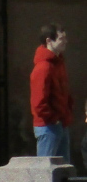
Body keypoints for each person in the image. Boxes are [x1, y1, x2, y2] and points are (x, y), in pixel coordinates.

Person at [31, 25, 74, 161]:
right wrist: (53, 118)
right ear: (49, 41)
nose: (65, 41)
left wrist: (65, 114)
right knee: (45, 173)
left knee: (63, 173)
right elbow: (38, 102)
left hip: (59, 123)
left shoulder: (58, 63)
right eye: (61, 38)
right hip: (48, 126)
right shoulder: (43, 67)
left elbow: (64, 93)